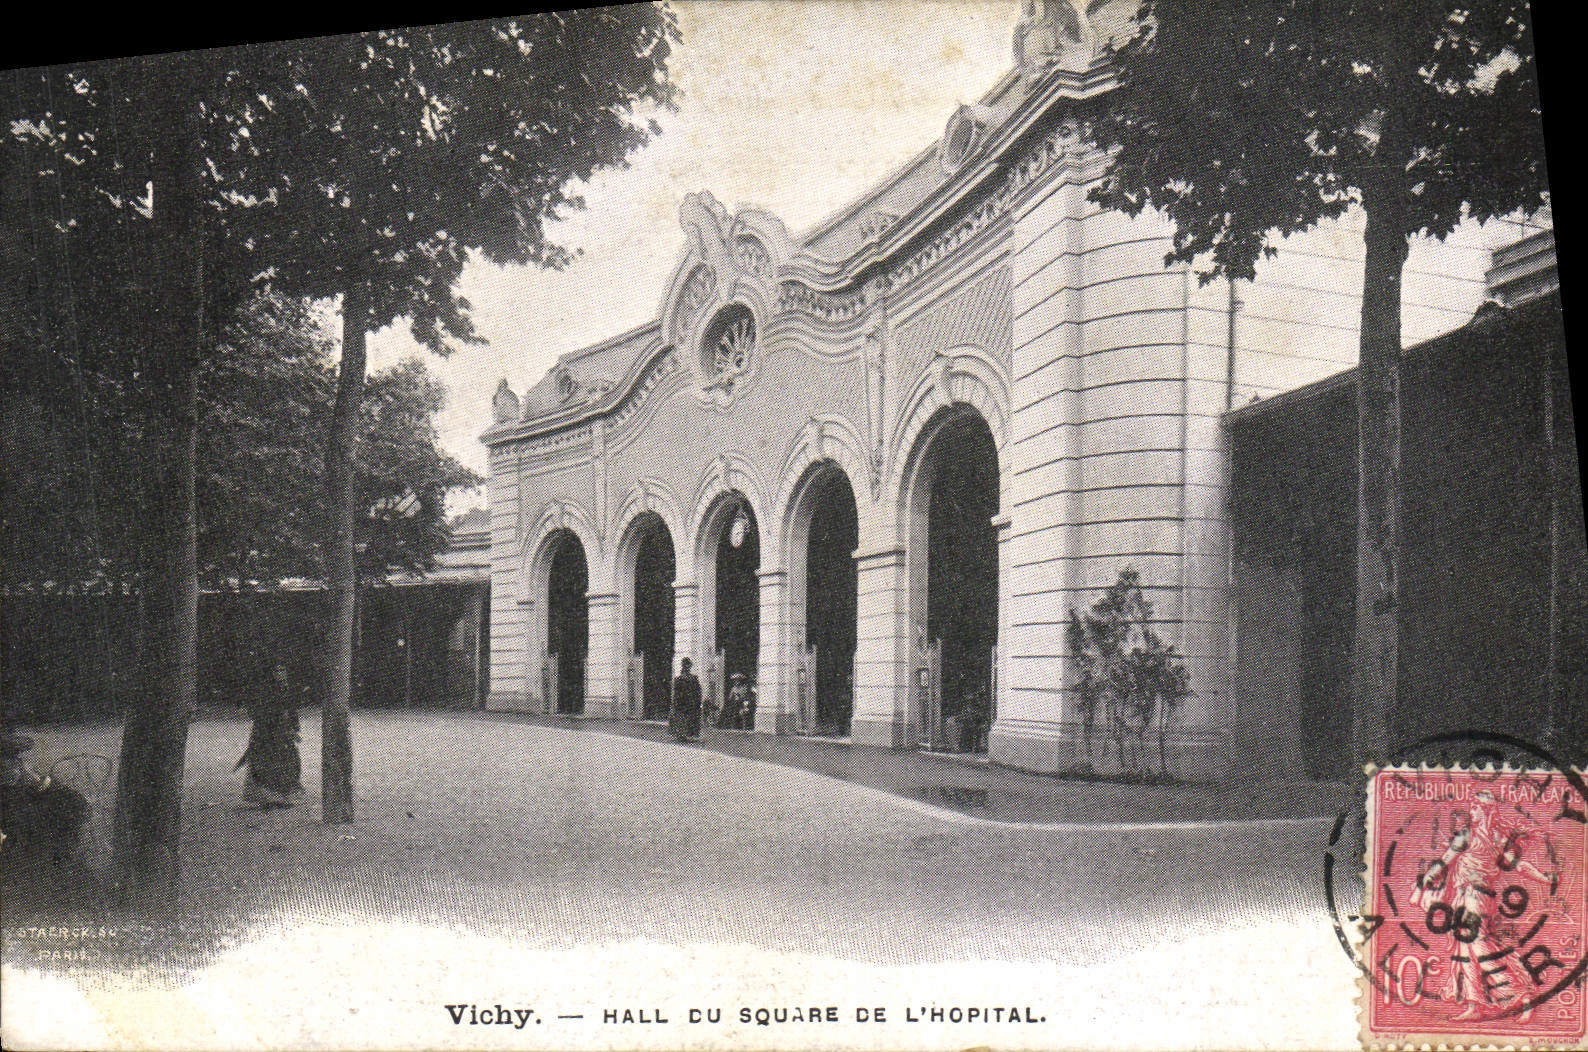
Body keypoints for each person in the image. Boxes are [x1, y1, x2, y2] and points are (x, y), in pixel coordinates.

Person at [236, 663, 303, 808]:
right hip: (266, 731)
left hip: (283, 732)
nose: (280, 674)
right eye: (277, 671)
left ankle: (283, 796)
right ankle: (267, 797)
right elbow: (258, 710)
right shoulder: (265, 690)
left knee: (288, 762)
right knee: (265, 763)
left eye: (283, 670)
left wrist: (294, 728)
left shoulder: (286, 688)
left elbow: (291, 709)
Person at [669, 658, 702, 743]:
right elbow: (698, 691)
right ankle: (684, 734)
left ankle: (683, 735)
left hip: (685, 700)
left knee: (685, 717)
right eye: (686, 665)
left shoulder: (688, 678)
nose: (686, 667)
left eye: (687, 665)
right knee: (685, 717)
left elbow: (698, 691)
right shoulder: (687, 678)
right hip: (685, 700)